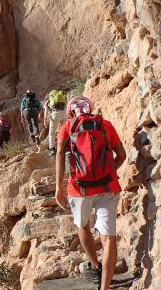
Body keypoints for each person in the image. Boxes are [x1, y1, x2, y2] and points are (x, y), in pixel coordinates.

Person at [54, 96, 126, 290]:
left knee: (83, 225)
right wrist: (109, 173)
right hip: (108, 188)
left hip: (79, 188)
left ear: (71, 111)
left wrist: (59, 187)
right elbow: (122, 155)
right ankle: (104, 287)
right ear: (90, 108)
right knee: (109, 236)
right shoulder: (105, 125)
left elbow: (60, 154)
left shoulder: (67, 127)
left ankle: (95, 266)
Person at [44, 89, 68, 156]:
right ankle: (63, 147)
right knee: (63, 132)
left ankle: (52, 149)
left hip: (55, 114)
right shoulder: (61, 98)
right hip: (64, 114)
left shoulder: (47, 103)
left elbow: (46, 111)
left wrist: (45, 119)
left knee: (52, 132)